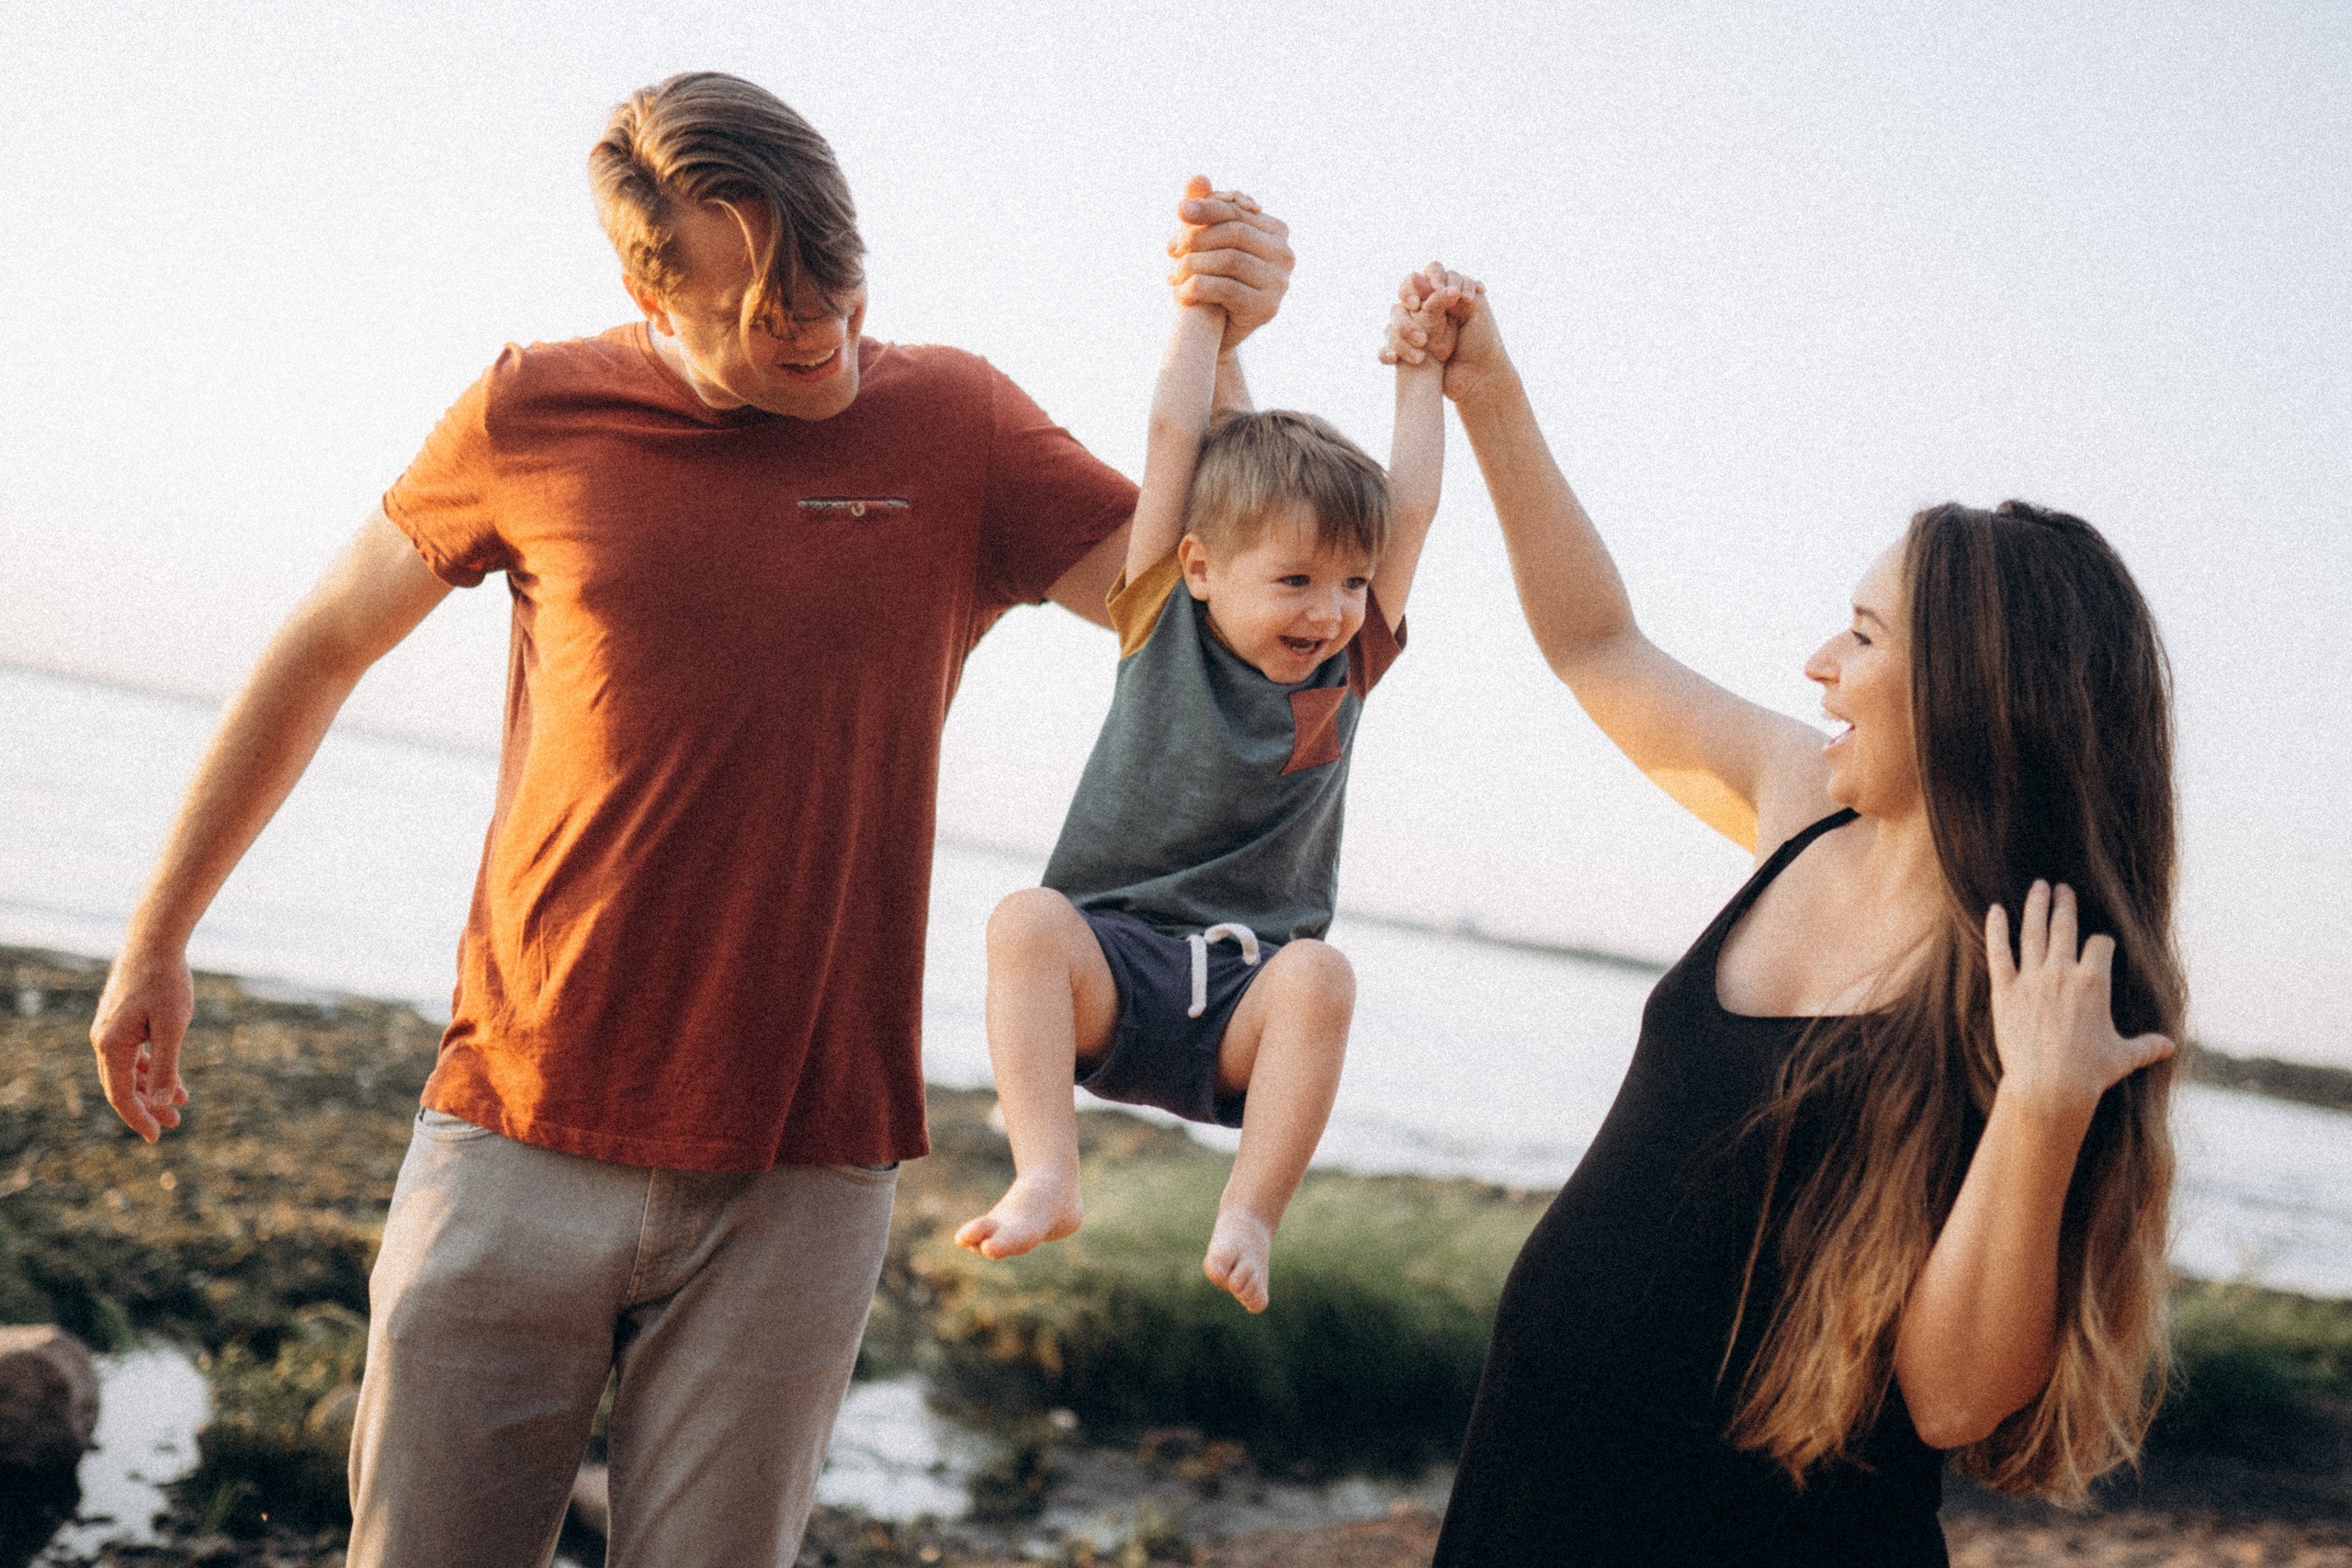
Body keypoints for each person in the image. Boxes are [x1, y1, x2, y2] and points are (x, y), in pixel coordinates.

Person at [85, 72, 1294, 1567]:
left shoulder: (959, 427)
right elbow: (321, 647)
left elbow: (1208, 622)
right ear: (648, 292)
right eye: (772, 312)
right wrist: (160, 932)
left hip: (801, 1179)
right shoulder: (533, 410)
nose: (824, 333)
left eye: (838, 286)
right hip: (513, 1134)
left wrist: (1224, 355)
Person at [1385, 272, 2182, 1564]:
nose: (1819, 662)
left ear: (1973, 694)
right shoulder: (1804, 807)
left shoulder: (2044, 980)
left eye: (1863, 635)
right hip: (1528, 1496)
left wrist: (2042, 1106)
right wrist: (1492, 396)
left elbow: (1954, 1394)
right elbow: (1597, 643)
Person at [952, 244, 1458, 1314]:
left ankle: (1249, 1214)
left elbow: (1408, 509)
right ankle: (1048, 1169)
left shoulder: (1347, 668)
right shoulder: (1156, 621)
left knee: (1324, 979)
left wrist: (1421, 375)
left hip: (1244, 998)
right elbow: (1173, 435)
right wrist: (1195, 312)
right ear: (1197, 568)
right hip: (1112, 968)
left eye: (1351, 584)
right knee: (1022, 922)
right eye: (1295, 581)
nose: (1328, 610)